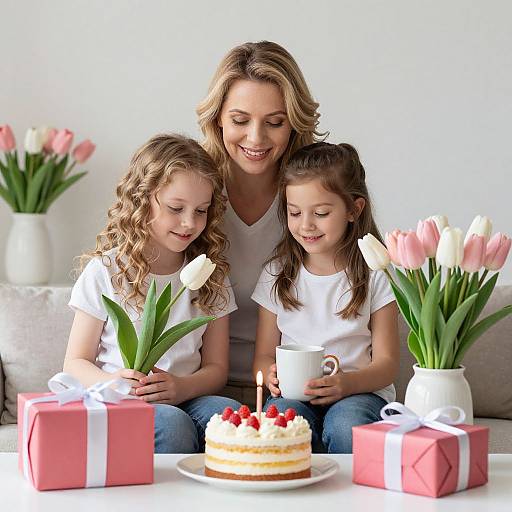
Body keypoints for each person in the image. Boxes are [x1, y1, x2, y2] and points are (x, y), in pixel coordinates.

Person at [63, 134, 241, 453]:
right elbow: (75, 362)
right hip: (121, 398)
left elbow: (217, 369)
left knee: (230, 416)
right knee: (172, 426)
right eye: (176, 208)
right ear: (143, 199)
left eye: (201, 211)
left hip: (187, 396)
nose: (190, 223)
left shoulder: (209, 275)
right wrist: (115, 382)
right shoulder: (107, 271)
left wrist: (182, 387)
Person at [197, 41, 325, 406]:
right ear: (217, 118)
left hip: (292, 389)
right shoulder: (191, 196)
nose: (256, 138)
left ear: (294, 124)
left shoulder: (317, 198)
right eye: (240, 120)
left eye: (274, 122)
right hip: (199, 387)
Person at [252, 142, 399, 453]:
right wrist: (272, 376)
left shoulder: (376, 273)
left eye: (320, 213)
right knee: (283, 426)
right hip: (293, 393)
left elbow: (386, 364)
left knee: (346, 427)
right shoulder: (277, 274)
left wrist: (346, 384)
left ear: (353, 210)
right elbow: (263, 357)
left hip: (360, 392)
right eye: (294, 212)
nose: (306, 225)